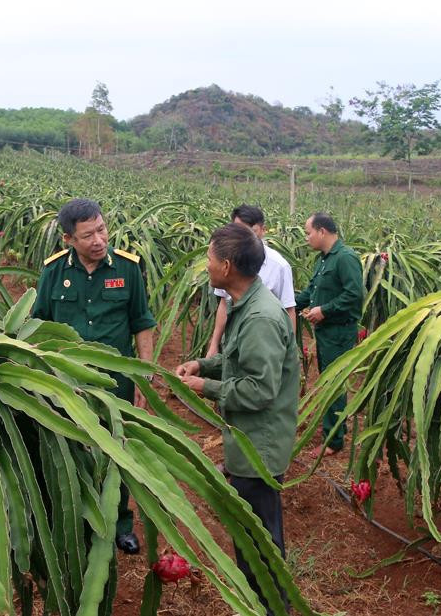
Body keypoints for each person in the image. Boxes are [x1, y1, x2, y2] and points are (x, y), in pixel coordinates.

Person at [176, 223, 299, 616]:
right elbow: (239, 364)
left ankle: (271, 607)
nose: (206, 264)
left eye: (210, 258)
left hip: (258, 445)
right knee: (255, 533)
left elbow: (259, 391)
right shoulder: (249, 305)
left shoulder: (260, 318)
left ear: (226, 266)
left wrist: (203, 387)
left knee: (258, 539)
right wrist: (205, 365)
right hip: (250, 439)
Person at [31, 198, 156, 555]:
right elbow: (36, 323)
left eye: (102, 229)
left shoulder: (129, 268)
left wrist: (145, 375)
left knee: (118, 448)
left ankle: (120, 523)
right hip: (65, 381)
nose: (99, 240)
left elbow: (142, 324)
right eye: (88, 235)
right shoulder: (53, 272)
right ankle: (72, 519)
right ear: (68, 239)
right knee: (68, 446)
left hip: (116, 381)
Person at [295, 212, 363, 457]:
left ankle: (333, 441)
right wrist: (286, 303)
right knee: (328, 382)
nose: (306, 238)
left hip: (339, 332)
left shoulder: (345, 258)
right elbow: (310, 293)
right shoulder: (323, 260)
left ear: (322, 231)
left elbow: (354, 295)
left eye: (308, 232)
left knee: (333, 385)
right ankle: (334, 431)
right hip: (325, 333)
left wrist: (324, 310)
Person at [205, 204, 296, 357]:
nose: (242, 237)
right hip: (233, 341)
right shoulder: (225, 260)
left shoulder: (280, 266)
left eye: (248, 231)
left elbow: (289, 309)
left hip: (266, 344)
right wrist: (214, 344)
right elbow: (223, 303)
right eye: (237, 230)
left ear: (262, 230)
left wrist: (290, 352)